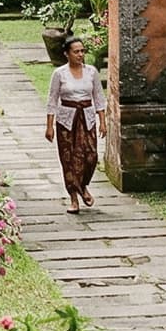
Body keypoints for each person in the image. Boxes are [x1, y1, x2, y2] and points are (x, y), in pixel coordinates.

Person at [45, 36, 106, 213]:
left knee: (90, 156)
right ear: (67, 54)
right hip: (66, 120)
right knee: (69, 159)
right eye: (76, 51)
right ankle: (74, 197)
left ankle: (83, 185)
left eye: (82, 51)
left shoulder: (92, 72)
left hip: (87, 118)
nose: (80, 55)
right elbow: (52, 99)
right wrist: (49, 126)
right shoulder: (59, 74)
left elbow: (99, 97)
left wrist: (103, 121)